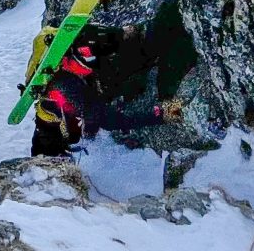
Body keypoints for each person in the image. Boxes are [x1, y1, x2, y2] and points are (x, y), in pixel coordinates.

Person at [26, 26, 179, 158]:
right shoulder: (68, 86)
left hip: (56, 130)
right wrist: (156, 116)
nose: (90, 59)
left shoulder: (80, 64)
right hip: (49, 141)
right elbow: (108, 119)